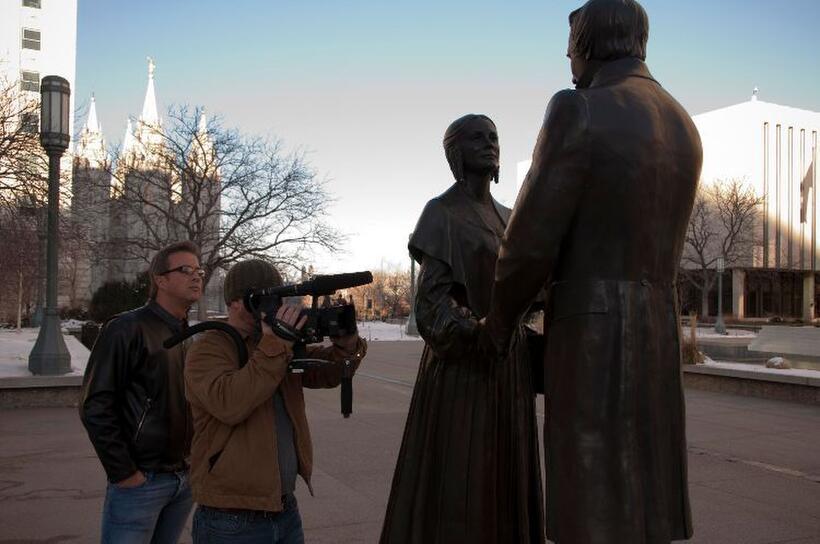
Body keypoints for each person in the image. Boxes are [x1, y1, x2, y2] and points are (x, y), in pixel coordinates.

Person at [485, 1, 702, 542]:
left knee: (593, 503)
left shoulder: (577, 109)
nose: (566, 57)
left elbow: (528, 244)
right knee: (644, 498)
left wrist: (500, 321)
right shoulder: (683, 123)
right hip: (656, 331)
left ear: (590, 43)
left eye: (571, 44)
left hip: (592, 335)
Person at [380, 114, 544, 544]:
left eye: (494, 137)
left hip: (509, 368)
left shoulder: (512, 216)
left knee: (506, 475)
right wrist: (480, 332)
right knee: (463, 480)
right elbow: (431, 306)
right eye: (477, 137)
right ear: (455, 151)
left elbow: (530, 291)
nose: (489, 144)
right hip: (463, 372)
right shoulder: (441, 213)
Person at [184, 259, 367, 543]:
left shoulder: (274, 342)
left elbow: (325, 373)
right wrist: (276, 343)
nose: (270, 308)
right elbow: (230, 403)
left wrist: (346, 347)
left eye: (276, 298)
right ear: (234, 301)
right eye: (260, 300)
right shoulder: (210, 346)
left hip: (284, 508)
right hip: (231, 517)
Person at [79, 240, 204, 544]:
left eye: (199, 270)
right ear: (160, 279)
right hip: (141, 481)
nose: (197, 276)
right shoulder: (126, 328)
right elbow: (95, 405)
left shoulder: (186, 334)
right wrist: (124, 473)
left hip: (184, 479)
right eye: (186, 270)